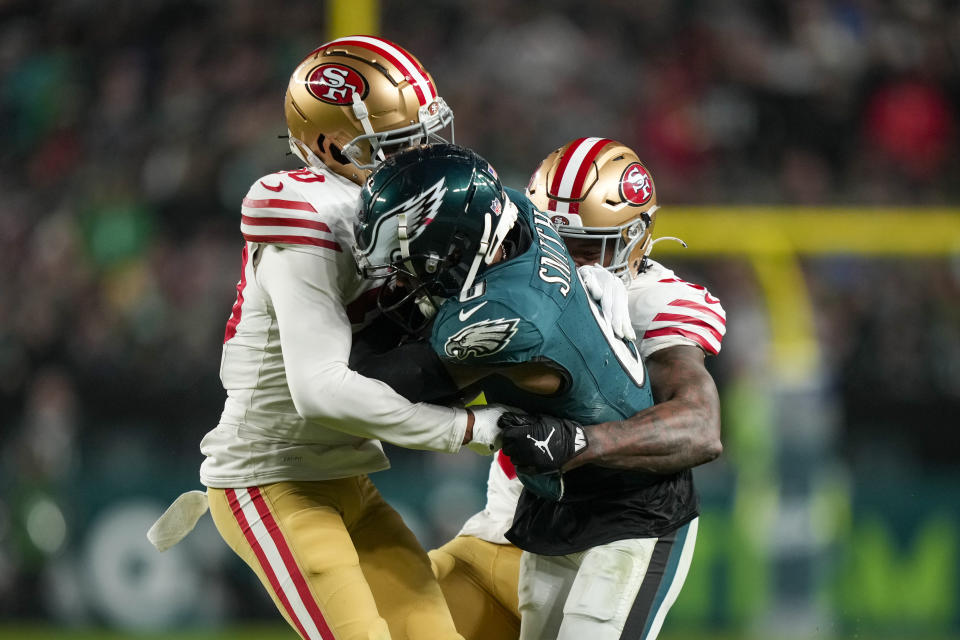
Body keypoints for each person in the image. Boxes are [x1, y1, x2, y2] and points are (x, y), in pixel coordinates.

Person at [156, 37, 507, 640]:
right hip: (269, 480)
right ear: (329, 146)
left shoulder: (403, 208)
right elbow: (318, 390)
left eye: (428, 135)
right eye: (401, 145)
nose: (424, 156)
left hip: (349, 480)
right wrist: (470, 430)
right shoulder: (309, 211)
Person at [352, 141, 724, 640]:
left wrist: (581, 442)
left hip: (626, 516)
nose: (570, 260)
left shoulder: (649, 301)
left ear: (636, 238)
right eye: (554, 237)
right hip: (523, 518)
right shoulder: (503, 269)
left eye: (589, 246)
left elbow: (700, 427)